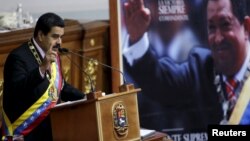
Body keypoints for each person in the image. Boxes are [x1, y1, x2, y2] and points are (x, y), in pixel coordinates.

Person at [123, 0, 250, 133]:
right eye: (212, 27)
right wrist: (137, 38)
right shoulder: (201, 69)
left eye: (225, 25)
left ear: (246, 27)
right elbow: (158, 80)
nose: (218, 38)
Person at [1, 12, 85, 141]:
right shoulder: (18, 57)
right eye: (55, 37)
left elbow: (60, 86)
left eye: (61, 37)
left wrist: (85, 97)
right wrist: (41, 69)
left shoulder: (53, 54)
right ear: (40, 35)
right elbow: (17, 91)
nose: (59, 42)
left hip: (52, 128)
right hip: (27, 132)